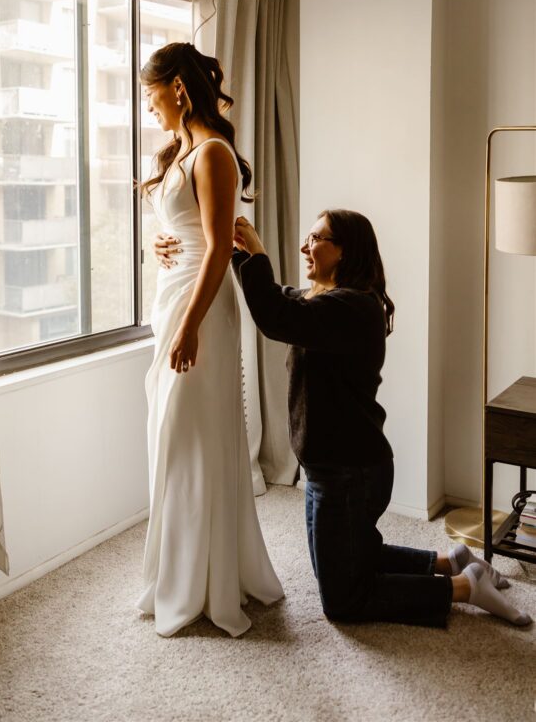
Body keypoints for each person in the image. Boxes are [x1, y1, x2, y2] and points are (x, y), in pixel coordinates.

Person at [225, 208, 532, 628]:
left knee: (344, 601)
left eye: (317, 239)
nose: (305, 246)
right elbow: (277, 299)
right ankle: (452, 560)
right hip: (328, 469)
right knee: (353, 560)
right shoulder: (322, 300)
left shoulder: (352, 307)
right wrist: (236, 252)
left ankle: (464, 586)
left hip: (351, 472)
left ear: (345, 251)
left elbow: (275, 317)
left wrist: (256, 250)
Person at [137, 41, 283, 637]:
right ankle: (180, 572)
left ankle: (211, 581)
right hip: (175, 298)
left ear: (176, 87)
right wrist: (153, 245)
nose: (148, 108)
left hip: (203, 309)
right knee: (171, 438)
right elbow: (176, 226)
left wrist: (192, 326)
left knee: (197, 435)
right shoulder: (177, 151)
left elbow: (220, 246)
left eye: (151, 95)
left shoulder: (215, 153)